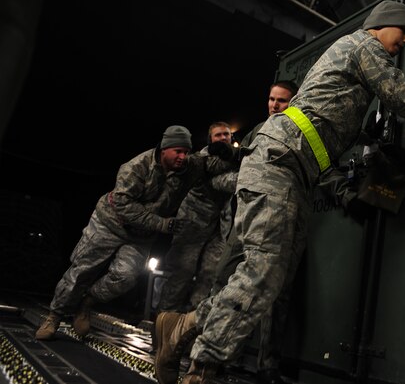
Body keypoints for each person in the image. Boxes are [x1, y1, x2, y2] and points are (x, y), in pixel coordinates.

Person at [154, 0, 405, 384]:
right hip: (277, 164)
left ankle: (184, 326)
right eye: (404, 30)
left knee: (269, 276)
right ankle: (203, 368)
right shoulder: (366, 45)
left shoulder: (353, 56)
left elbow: (326, 114)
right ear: (383, 25)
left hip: (291, 173)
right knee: (264, 272)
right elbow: (396, 94)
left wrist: (365, 133)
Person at [35, 125, 237, 341]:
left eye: (186, 152)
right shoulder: (136, 167)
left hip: (140, 236)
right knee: (81, 271)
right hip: (110, 224)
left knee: (126, 277)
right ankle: (54, 316)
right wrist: (161, 224)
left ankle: (87, 303)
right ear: (163, 149)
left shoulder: (189, 166)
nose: (182, 157)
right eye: (177, 151)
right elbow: (123, 205)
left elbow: (211, 164)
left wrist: (229, 151)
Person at [210, 80, 300, 384]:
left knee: (275, 292)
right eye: (272, 99)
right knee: (224, 279)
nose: (274, 105)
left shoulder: (300, 129)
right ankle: (216, 355)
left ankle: (267, 366)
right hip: (248, 214)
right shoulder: (259, 128)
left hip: (280, 215)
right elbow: (243, 160)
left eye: (282, 101)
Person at [157, 122, 236, 313]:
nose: (223, 138)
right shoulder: (202, 159)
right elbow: (220, 179)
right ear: (210, 140)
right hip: (193, 222)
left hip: (219, 226)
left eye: (226, 134)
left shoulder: (236, 157)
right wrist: (240, 162)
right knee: (182, 271)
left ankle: (192, 324)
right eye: (218, 135)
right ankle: (164, 319)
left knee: (211, 273)